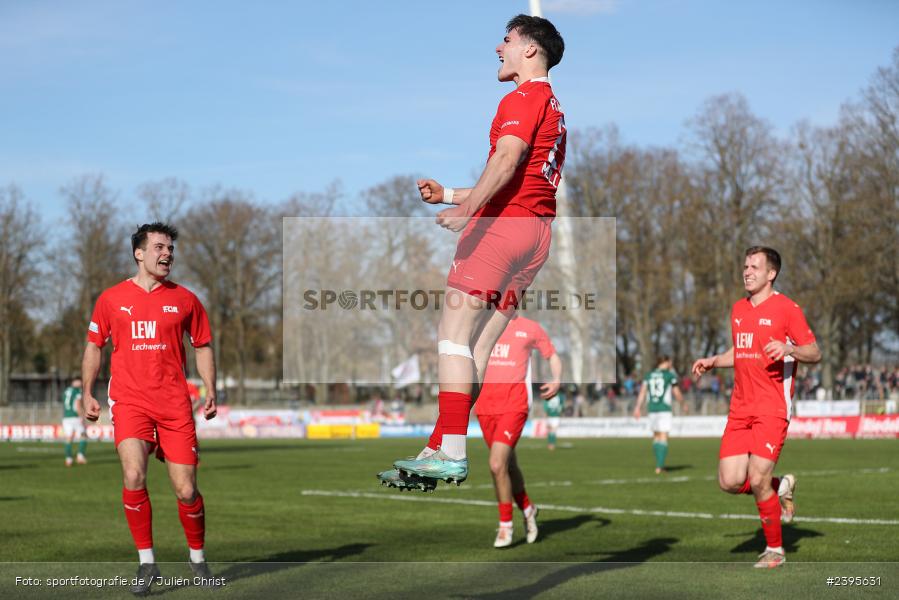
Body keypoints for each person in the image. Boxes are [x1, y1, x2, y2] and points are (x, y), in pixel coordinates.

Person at [380, 14, 566, 489]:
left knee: (451, 336)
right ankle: (440, 445)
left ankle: (452, 453)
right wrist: (448, 195)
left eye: (507, 40)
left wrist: (470, 212)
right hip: (536, 235)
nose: (498, 48)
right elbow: (517, 179)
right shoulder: (554, 106)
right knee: (478, 347)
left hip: (503, 230)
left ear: (530, 50)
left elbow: (505, 161)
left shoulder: (522, 96)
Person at [81, 222, 219, 595]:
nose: (167, 254)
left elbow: (202, 344)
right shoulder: (111, 299)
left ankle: (197, 558)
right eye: (159, 247)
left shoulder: (186, 299)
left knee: (186, 489)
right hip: (129, 401)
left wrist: (210, 388)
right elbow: (95, 345)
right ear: (139, 253)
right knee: (133, 475)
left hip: (174, 405)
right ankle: (147, 563)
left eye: (170, 248)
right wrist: (88, 391)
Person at [692, 246, 821, 569]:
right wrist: (713, 361)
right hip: (740, 409)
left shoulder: (787, 308)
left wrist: (789, 347)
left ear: (771, 273)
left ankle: (775, 550)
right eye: (745, 266)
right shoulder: (738, 309)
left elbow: (814, 351)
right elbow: (741, 349)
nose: (747, 271)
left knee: (757, 475)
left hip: (771, 408)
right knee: (730, 481)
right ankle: (780, 487)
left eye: (754, 267)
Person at [475, 315, 561, 547]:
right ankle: (528, 508)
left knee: (496, 464)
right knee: (507, 466)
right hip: (484, 407)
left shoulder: (529, 328)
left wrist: (557, 379)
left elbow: (552, 354)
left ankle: (505, 526)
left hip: (514, 405)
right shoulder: (479, 326)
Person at [632, 356, 688, 474]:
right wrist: (683, 404)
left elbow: (642, 392)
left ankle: (659, 464)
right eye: (670, 362)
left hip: (652, 409)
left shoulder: (649, 375)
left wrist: (637, 407)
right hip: (664, 409)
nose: (670, 364)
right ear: (665, 362)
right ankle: (659, 466)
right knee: (663, 436)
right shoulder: (669, 375)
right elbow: (676, 392)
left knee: (656, 436)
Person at [61, 376, 88, 466]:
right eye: (79, 381)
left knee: (68, 438)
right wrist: (82, 416)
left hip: (66, 417)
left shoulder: (66, 391)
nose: (80, 383)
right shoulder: (77, 391)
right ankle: (80, 456)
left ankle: (68, 459)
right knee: (83, 435)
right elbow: (77, 405)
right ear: (75, 382)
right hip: (75, 417)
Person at [544, 386, 564, 450]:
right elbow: (562, 405)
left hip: (554, 415)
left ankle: (551, 444)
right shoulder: (560, 396)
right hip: (553, 415)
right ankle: (551, 444)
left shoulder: (550, 395)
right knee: (552, 430)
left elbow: (545, 405)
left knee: (551, 430)